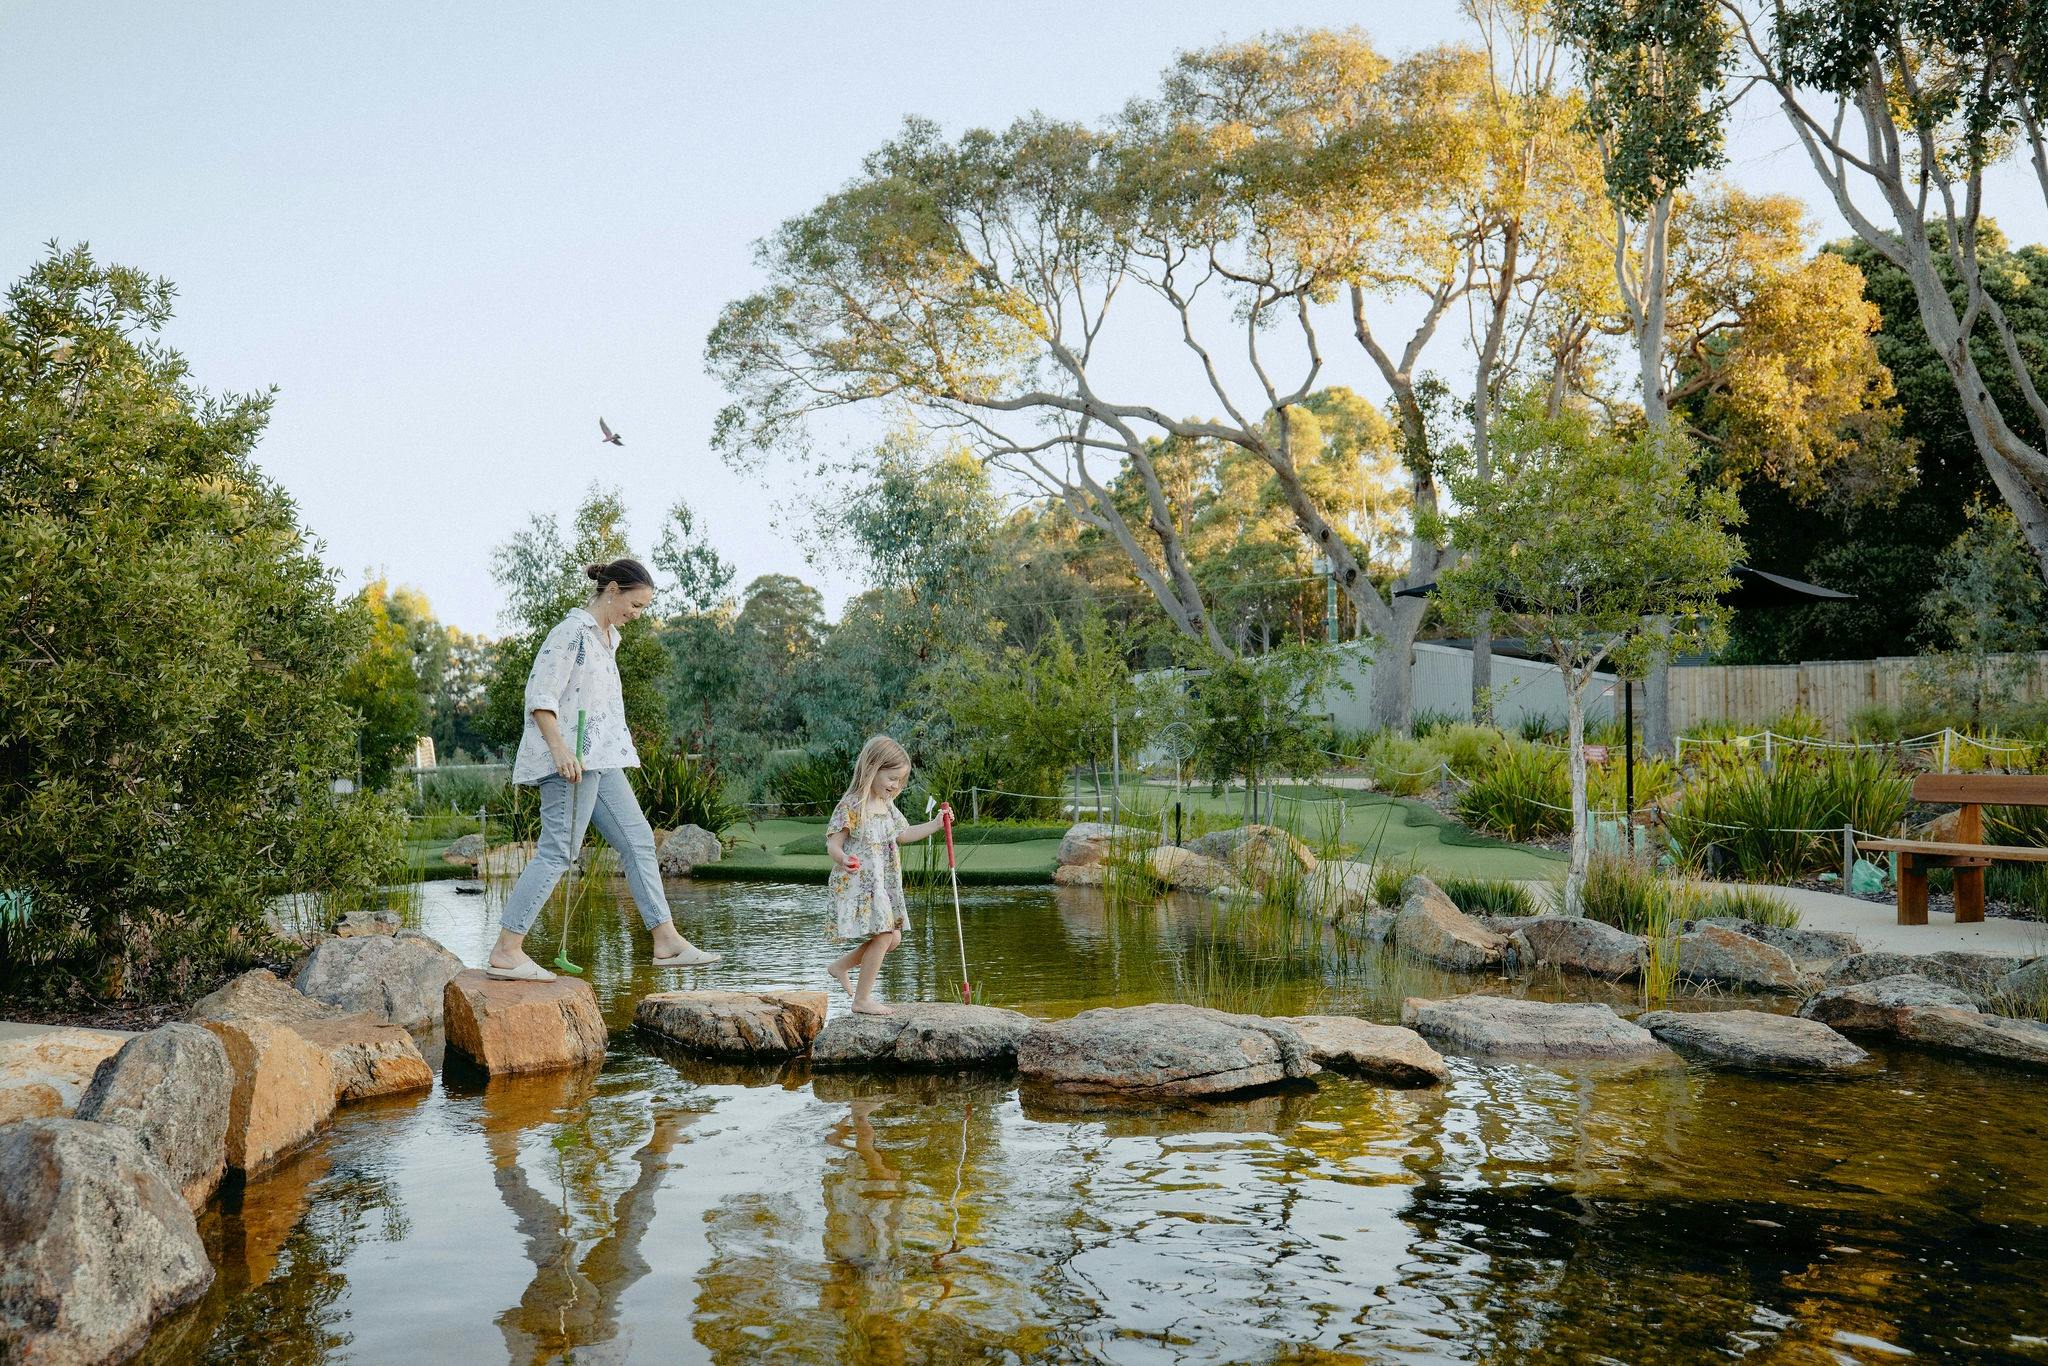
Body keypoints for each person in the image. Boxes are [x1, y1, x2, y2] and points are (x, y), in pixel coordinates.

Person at [487, 558, 720, 981]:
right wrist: (560, 751)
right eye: (636, 604)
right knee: (559, 850)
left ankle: (665, 942)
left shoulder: (607, 638)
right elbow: (541, 697)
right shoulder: (571, 633)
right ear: (613, 589)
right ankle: (507, 948)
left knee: (638, 841)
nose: (638, 614)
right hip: (571, 760)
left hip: (602, 757)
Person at [822, 736, 948, 1014]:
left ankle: (841, 966)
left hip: (882, 884)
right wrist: (843, 858)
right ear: (872, 767)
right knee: (883, 937)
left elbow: (903, 834)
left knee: (893, 938)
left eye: (900, 782)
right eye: (891, 778)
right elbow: (833, 843)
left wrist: (936, 824)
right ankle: (862, 1000)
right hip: (859, 882)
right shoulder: (852, 805)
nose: (895, 786)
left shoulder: (887, 805)